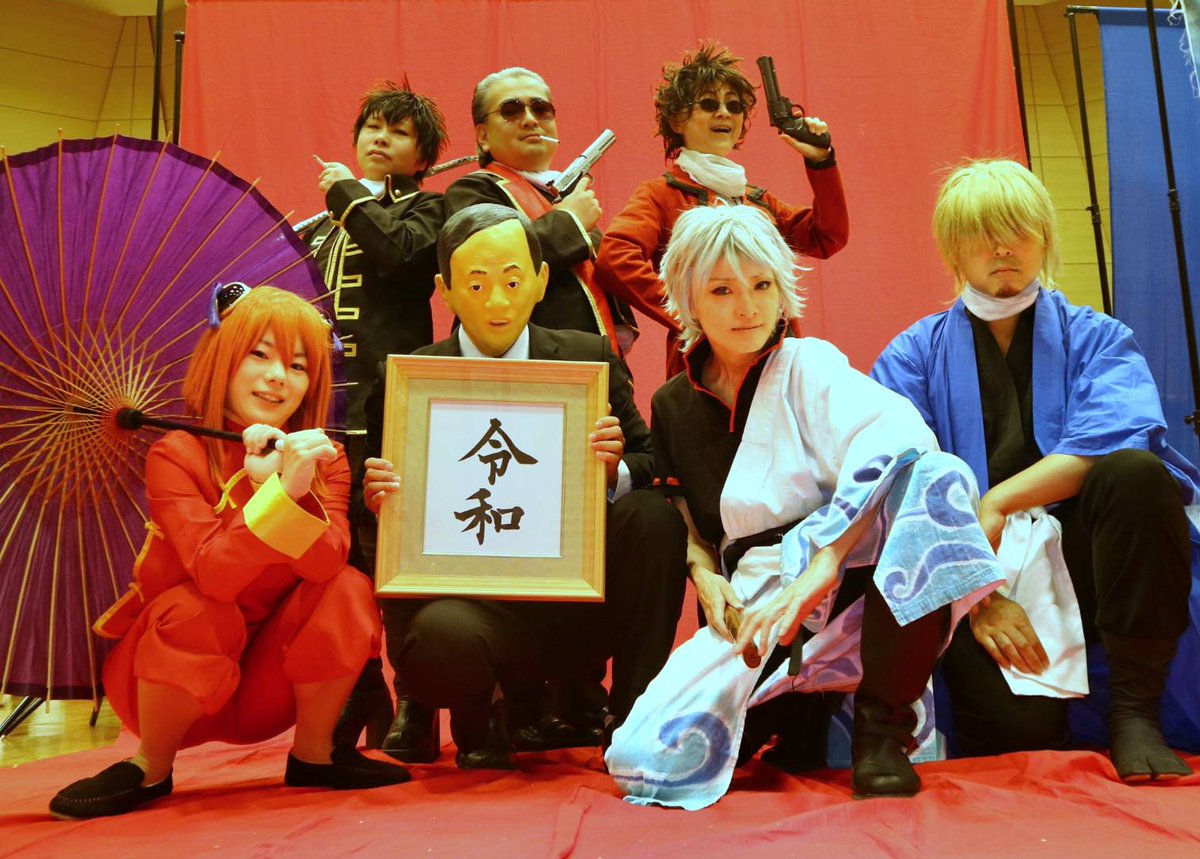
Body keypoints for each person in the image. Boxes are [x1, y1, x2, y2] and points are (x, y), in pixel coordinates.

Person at [605, 204, 1005, 810]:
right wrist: (705, 575)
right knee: (646, 758)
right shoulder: (672, 403)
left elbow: (899, 436)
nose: (748, 307)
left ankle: (881, 731)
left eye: (762, 285)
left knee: (936, 476)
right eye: (722, 290)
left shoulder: (811, 364)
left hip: (852, 580)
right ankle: (799, 703)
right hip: (760, 595)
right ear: (689, 301)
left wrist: (823, 561)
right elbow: (683, 512)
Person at [872, 158, 1199, 783]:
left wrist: (997, 501)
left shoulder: (1098, 337)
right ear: (952, 250)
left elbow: (1112, 438)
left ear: (1045, 239)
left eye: (1019, 231)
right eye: (983, 234)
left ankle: (1136, 711)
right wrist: (982, 596)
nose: (1003, 248)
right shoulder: (912, 355)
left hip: (1088, 552)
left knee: (1136, 475)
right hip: (970, 563)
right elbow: (898, 486)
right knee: (1016, 738)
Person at [49, 285, 409, 820]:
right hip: (168, 683)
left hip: (268, 686)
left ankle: (314, 754)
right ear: (222, 358)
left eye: (298, 365)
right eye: (259, 355)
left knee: (349, 588)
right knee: (198, 607)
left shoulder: (322, 457)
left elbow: (327, 562)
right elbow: (215, 576)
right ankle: (150, 765)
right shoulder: (177, 453)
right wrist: (275, 494)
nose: (278, 376)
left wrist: (290, 486)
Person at [359, 203, 687, 770]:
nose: (497, 302)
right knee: (441, 638)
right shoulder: (408, 379)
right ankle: (477, 709)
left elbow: (652, 458)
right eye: (476, 284)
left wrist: (613, 467)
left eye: (512, 282)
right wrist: (379, 500)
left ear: (539, 281)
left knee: (652, 518)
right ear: (445, 290)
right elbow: (381, 525)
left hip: (576, 603)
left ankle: (632, 715)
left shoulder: (586, 358)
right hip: (471, 609)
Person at [301, 81, 449, 751]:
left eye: (399, 130)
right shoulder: (323, 226)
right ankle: (361, 691)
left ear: (424, 155)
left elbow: (401, 254)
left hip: (393, 415)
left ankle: (419, 702)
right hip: (323, 420)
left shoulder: (427, 207)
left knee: (398, 561)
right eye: (372, 126)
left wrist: (345, 196)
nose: (381, 137)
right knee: (336, 565)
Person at [594, 42, 849, 377]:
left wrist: (821, 162)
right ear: (677, 119)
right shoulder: (661, 195)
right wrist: (692, 313)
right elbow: (615, 257)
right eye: (709, 104)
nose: (725, 113)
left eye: (735, 105)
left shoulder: (756, 200)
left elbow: (826, 236)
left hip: (775, 362)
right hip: (707, 370)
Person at [444, 67, 635, 353]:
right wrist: (570, 220)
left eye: (541, 109)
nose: (530, 119)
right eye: (511, 111)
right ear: (483, 136)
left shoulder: (561, 194)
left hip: (590, 358)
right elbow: (496, 265)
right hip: (520, 363)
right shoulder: (470, 191)